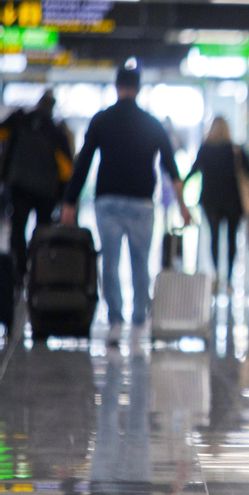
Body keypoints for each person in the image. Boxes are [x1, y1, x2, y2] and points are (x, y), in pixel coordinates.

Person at [60, 61, 192, 345]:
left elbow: (83, 162)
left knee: (110, 262)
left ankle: (116, 321)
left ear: (116, 86)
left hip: (108, 201)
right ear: (138, 88)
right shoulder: (152, 123)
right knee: (140, 263)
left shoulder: (102, 120)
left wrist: (69, 202)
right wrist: (183, 206)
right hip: (142, 203)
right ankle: (139, 320)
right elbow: (171, 168)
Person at [1, 90, 73, 287]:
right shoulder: (56, 131)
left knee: (18, 228)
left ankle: (19, 271)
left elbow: (2, 133)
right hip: (46, 191)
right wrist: (65, 197)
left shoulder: (20, 120)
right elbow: (66, 169)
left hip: (19, 185)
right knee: (42, 231)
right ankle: (38, 270)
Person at [184, 116, 249, 292]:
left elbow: (193, 170)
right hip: (233, 202)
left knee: (214, 238)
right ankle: (229, 279)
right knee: (232, 239)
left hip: (211, 202)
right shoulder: (235, 150)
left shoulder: (205, 149)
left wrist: (180, 186)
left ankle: (216, 274)